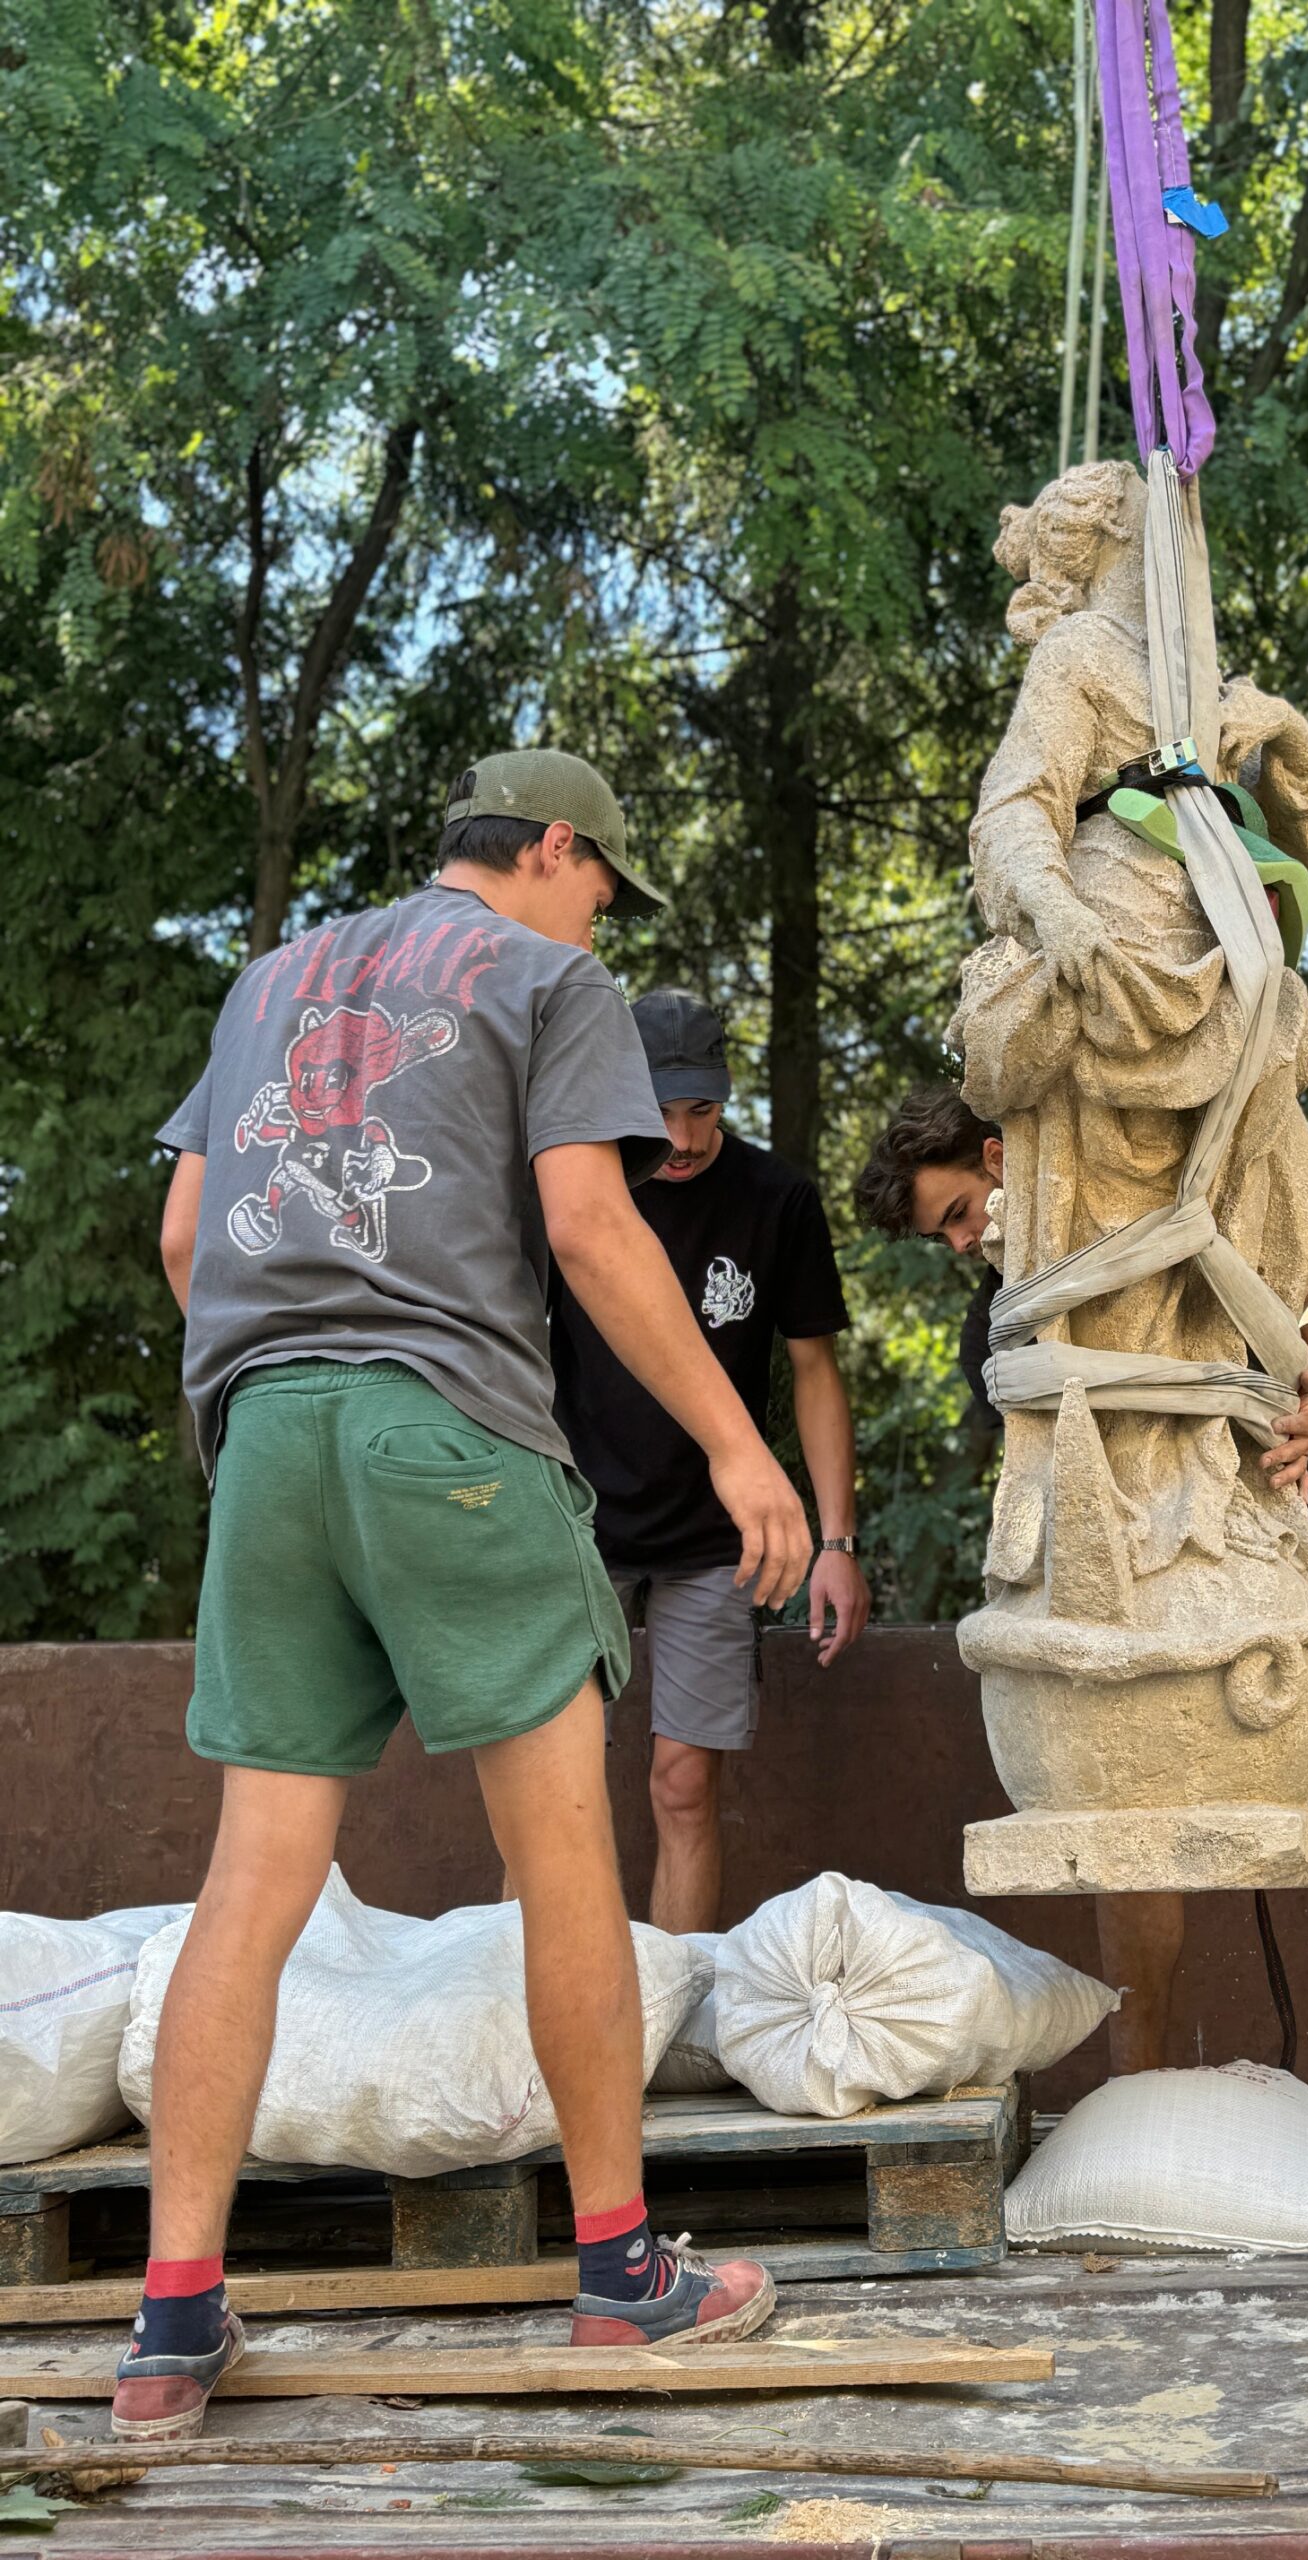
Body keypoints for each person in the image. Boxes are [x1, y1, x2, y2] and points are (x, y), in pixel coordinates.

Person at [121, 751, 811, 2444]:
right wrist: (742, 1451)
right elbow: (589, 1225)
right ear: (555, 849)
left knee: (251, 1882)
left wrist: (291, 1377)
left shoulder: (271, 981)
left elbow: (187, 1238)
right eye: (605, 891)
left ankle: (171, 2322)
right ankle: (621, 2274)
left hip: (265, 1439)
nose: (602, 925)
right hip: (451, 1437)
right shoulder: (547, 981)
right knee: (564, 1861)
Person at [856, 1084, 1308, 2186]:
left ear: (1001, 1157)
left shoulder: (1155, 1197)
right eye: (942, 1237)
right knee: (1127, 1776)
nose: (961, 1244)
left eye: (957, 1212)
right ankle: (1135, 2093)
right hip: (1158, 1535)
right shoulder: (1003, 1324)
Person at [551, 990, 870, 1934]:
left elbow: (815, 1372)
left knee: (684, 1786)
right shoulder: (574, 1190)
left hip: (714, 1539)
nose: (683, 1137)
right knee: (551, 1791)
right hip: (575, 1526)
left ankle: (676, 2007)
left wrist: (837, 1542)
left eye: (702, 1108)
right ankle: (531, 2008)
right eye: (660, 1111)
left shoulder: (777, 1199)